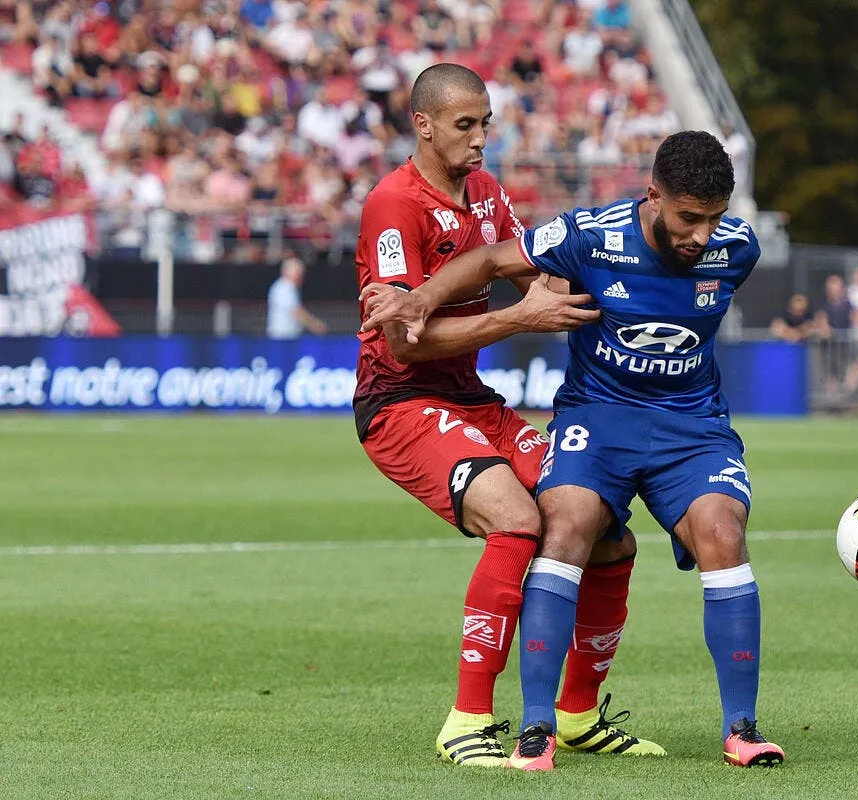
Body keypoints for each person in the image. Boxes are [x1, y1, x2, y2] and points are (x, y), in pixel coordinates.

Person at [360, 130, 786, 770]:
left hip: (690, 425)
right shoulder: (590, 235)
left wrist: (545, 295)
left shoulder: (737, 249)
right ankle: (523, 727)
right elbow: (491, 264)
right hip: (594, 418)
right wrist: (419, 299)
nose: (701, 235)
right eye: (687, 218)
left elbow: (518, 265)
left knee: (707, 534)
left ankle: (729, 727)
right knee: (558, 525)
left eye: (713, 218)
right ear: (655, 197)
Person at [352, 63, 661, 768]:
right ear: (424, 126)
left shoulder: (486, 193)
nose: (481, 139)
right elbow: (406, 339)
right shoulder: (392, 206)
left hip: (471, 400)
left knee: (606, 527)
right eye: (466, 125)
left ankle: (578, 715)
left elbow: (536, 275)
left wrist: (619, 290)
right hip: (399, 402)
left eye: (485, 123)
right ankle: (467, 717)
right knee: (518, 521)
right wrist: (521, 318)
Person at [266, 256, 327, 339]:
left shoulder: (289, 287)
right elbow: (296, 312)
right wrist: (315, 325)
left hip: (289, 337)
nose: (301, 278)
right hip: (282, 337)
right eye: (299, 274)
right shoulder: (284, 287)